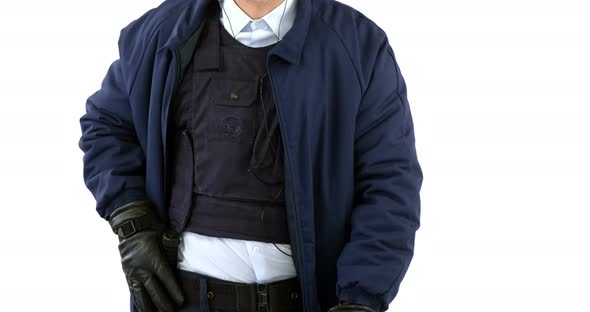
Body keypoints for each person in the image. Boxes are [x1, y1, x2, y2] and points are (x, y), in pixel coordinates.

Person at [77, 0, 423, 311]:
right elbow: (106, 125)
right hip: (181, 300)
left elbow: (390, 183)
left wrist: (360, 299)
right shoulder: (161, 35)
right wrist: (132, 222)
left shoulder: (357, 47)